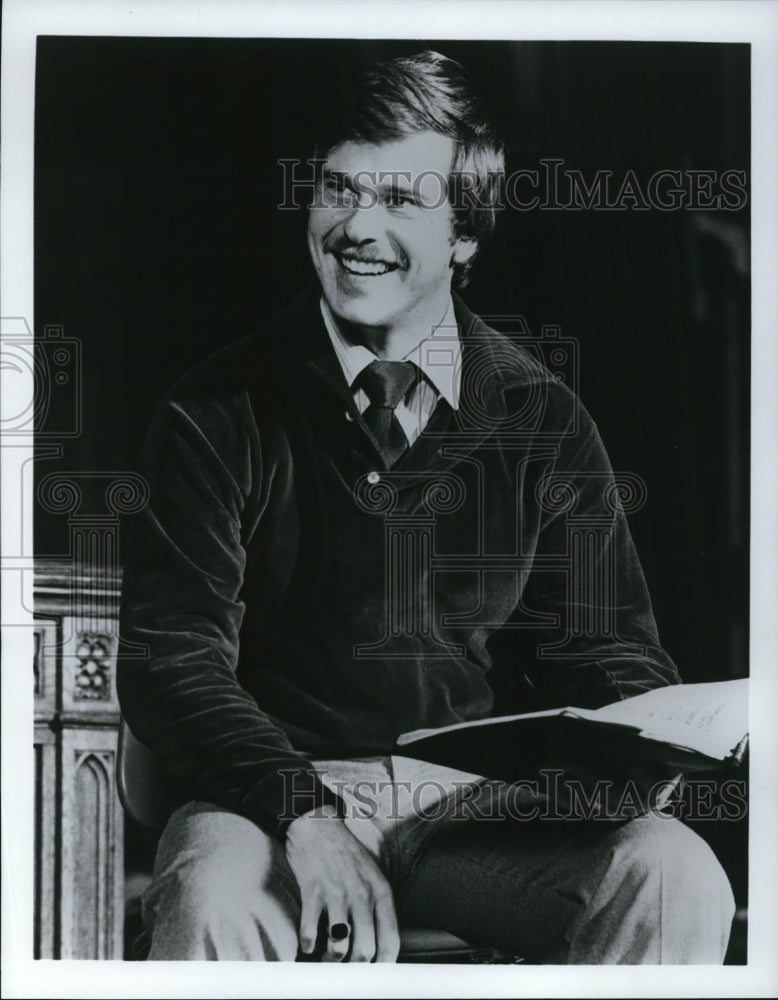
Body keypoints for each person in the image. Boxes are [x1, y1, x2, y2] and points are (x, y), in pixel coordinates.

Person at [118, 49, 735, 963]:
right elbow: (174, 662)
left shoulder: (543, 418)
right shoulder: (215, 410)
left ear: (465, 236)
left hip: (474, 809)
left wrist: (644, 744)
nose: (356, 227)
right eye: (338, 189)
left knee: (673, 874)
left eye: (401, 200)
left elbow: (606, 646)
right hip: (269, 799)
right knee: (215, 900)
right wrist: (306, 814)